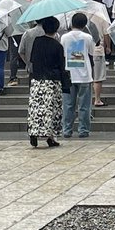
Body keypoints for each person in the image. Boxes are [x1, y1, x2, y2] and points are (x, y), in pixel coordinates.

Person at [27, 16, 64, 148]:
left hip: (37, 79)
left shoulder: (37, 42)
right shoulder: (57, 46)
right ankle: (50, 136)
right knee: (51, 109)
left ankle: (33, 132)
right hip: (52, 81)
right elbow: (61, 65)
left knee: (36, 108)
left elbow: (32, 59)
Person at [61, 12, 95, 138]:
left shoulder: (64, 37)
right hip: (85, 75)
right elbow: (91, 53)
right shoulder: (87, 37)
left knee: (68, 105)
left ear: (72, 23)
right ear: (84, 24)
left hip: (68, 74)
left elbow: (63, 54)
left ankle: (67, 129)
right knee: (84, 106)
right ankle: (83, 130)